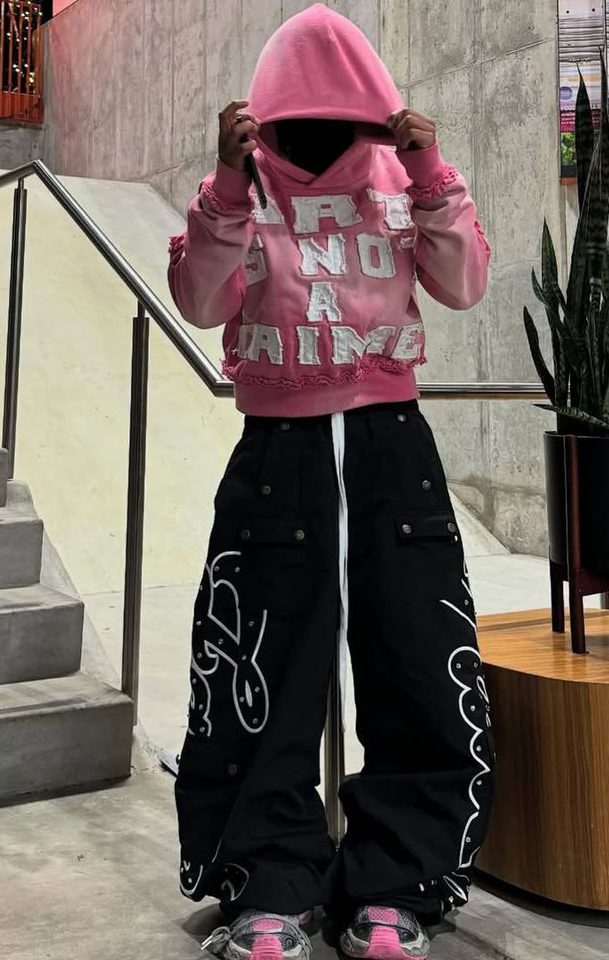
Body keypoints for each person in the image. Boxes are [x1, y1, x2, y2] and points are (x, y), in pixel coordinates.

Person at [167, 6, 494, 959]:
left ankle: (395, 882)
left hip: (391, 444)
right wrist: (230, 183)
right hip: (281, 451)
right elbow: (200, 300)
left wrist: (429, 172)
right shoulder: (241, 184)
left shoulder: (402, 175)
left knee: (416, 661)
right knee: (263, 672)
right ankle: (268, 881)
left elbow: (465, 283)